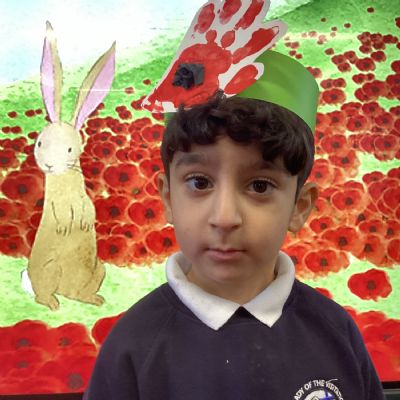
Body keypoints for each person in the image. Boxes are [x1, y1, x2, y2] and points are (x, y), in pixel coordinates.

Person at [83, 49, 385, 400]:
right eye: (199, 182)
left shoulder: (336, 332)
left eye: (260, 186)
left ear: (299, 207)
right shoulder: (132, 348)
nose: (225, 218)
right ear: (167, 198)